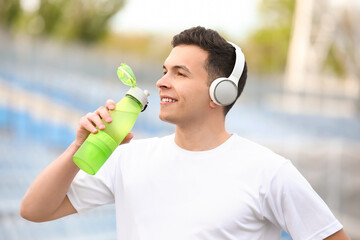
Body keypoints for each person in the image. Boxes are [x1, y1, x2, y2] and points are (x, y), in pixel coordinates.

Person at [20, 26, 349, 240]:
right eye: (165, 71)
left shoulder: (269, 171)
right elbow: (35, 210)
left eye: (180, 73)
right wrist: (78, 148)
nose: (162, 81)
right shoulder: (129, 158)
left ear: (221, 92)